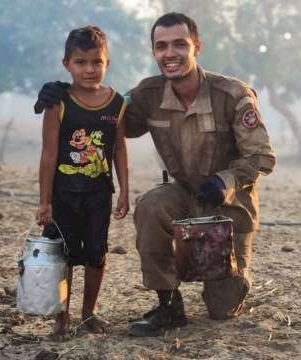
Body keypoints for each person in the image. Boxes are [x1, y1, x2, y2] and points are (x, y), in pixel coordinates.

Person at [34, 12, 276, 337]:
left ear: (197, 46)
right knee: (150, 206)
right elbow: (105, 110)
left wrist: (225, 181)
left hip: (228, 209)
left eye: (179, 44)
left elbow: (262, 156)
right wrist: (62, 91)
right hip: (183, 195)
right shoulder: (148, 95)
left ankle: (235, 280)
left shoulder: (231, 95)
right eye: (161, 46)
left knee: (222, 308)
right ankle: (169, 304)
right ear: (154, 52)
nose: (170, 53)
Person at [35, 25, 129, 341]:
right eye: (81, 62)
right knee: (62, 257)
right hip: (63, 195)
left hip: (99, 194)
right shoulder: (58, 102)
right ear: (67, 64)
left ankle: (88, 313)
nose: (89, 70)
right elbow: (48, 154)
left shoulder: (117, 103)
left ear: (107, 62)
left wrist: (125, 190)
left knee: (96, 253)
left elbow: (118, 148)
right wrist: (44, 201)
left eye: (96, 62)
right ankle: (61, 318)